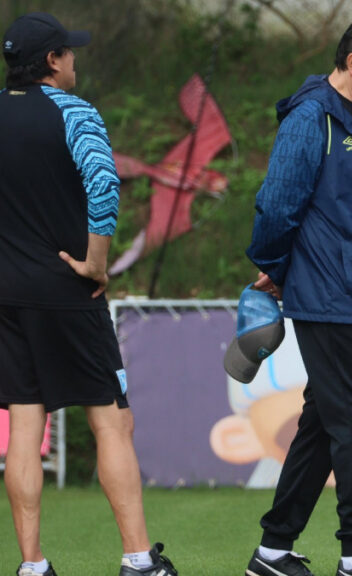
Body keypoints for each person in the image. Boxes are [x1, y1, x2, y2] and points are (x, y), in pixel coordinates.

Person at [0, 12, 178, 576]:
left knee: (26, 424)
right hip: (67, 288)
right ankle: (138, 561)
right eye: (69, 53)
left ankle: (32, 566)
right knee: (112, 419)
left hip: (6, 294)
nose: (76, 60)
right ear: (52, 61)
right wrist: (95, 264)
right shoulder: (74, 112)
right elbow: (103, 185)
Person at [242, 12, 352, 576]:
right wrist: (277, 268)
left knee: (324, 423)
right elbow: (275, 205)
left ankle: (272, 551)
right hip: (329, 292)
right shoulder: (311, 116)